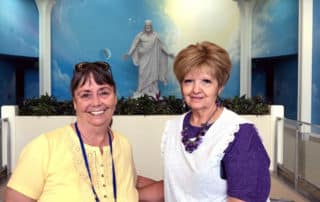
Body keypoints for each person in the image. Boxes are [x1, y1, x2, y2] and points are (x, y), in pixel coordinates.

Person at [5, 61, 139, 202]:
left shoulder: (123, 144)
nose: (96, 102)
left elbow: (131, 186)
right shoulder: (44, 147)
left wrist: (165, 180)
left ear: (115, 98)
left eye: (104, 92)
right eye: (86, 95)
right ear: (75, 102)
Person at [160, 41, 271, 201]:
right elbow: (176, 186)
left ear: (220, 87)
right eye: (188, 81)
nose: (196, 89)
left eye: (206, 81)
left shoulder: (239, 133)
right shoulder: (172, 127)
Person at [124, 19, 174, 99]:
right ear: (144, 26)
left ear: (151, 27)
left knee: (153, 75)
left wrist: (168, 53)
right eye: (146, 26)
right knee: (142, 74)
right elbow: (134, 45)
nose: (148, 27)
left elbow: (162, 46)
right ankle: (141, 91)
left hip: (153, 59)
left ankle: (153, 92)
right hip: (143, 58)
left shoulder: (155, 36)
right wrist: (129, 53)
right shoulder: (140, 35)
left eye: (149, 26)